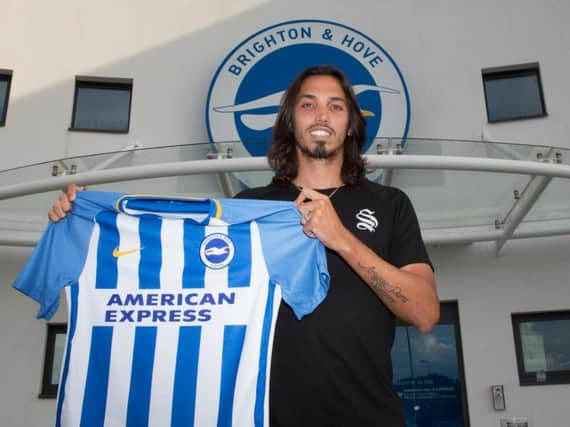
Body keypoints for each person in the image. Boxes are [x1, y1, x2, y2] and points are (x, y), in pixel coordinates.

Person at [49, 65, 439, 426]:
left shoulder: (389, 204)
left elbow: (424, 313)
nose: (322, 116)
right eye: (308, 105)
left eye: (335, 106)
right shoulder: (248, 208)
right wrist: (91, 222)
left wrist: (342, 240)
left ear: (352, 124)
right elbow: (171, 267)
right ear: (290, 121)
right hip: (260, 416)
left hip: (368, 415)